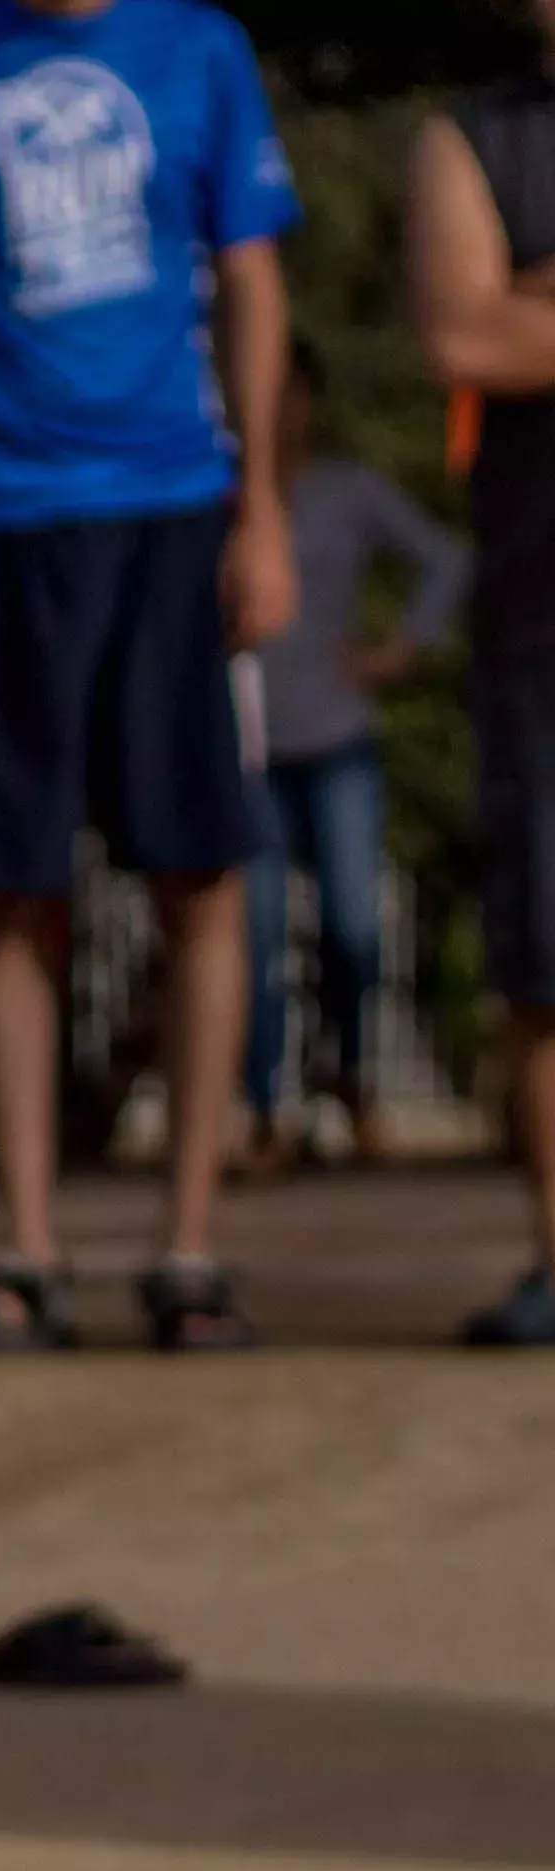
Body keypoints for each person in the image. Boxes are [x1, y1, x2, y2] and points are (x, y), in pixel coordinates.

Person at [0, 0, 302, 1352]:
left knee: (201, 878)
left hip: (176, 505)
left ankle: (190, 1247)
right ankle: (27, 1250)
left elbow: (256, 279)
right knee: (8, 892)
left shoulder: (202, 46)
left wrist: (263, 508)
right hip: (1, 518)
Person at [408, 29, 555, 1342]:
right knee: (547, 943)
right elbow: (468, 332)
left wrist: (538, 299)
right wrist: (504, 315)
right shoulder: (477, 138)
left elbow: (515, 322)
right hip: (539, 593)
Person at [242, 339, 470, 1160]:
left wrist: (398, 650)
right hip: (251, 748)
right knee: (253, 934)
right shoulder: (220, 497)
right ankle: (265, 1107)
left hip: (339, 736)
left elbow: (445, 560)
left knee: (353, 924)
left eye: (289, 393)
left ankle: (350, 1070)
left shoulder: (348, 491)